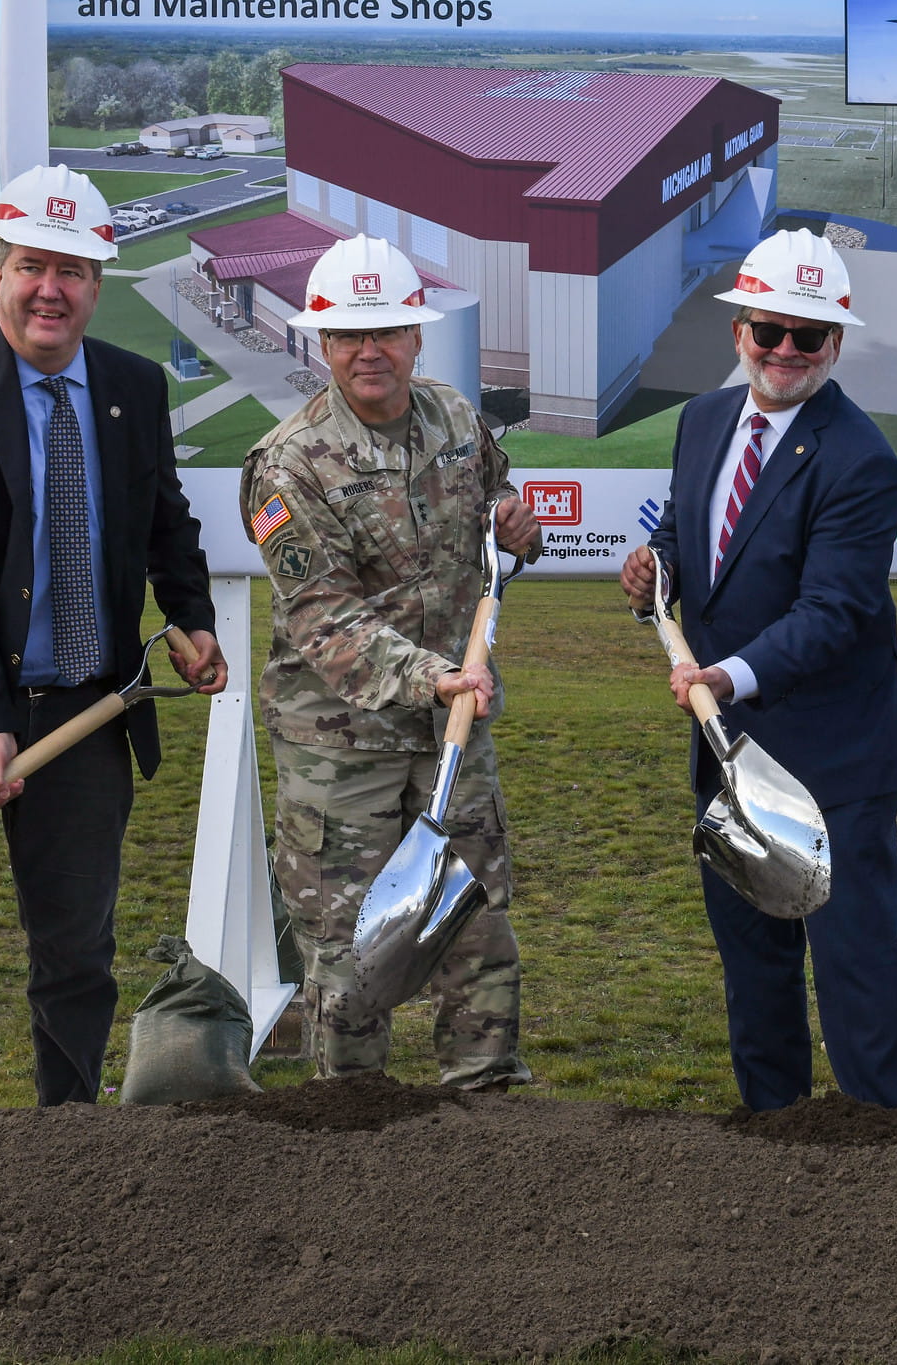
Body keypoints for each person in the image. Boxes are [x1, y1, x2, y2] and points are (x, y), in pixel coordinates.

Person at [0, 165, 226, 1111]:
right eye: (31, 267)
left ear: (98, 284)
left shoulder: (133, 389)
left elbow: (163, 521)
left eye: (71, 271)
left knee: (76, 952)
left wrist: (191, 618)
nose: (49, 289)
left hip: (85, 712)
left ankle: (69, 1153)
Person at [619, 229, 897, 1112]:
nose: (786, 351)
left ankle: (887, 1155)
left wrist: (726, 676)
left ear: (837, 343)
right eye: (770, 331)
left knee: (856, 975)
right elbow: (689, 543)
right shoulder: (701, 422)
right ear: (740, 333)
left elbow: (835, 612)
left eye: (809, 336)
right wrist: (660, 572)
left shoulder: (861, 457)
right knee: (755, 975)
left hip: (835, 760)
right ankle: (772, 1151)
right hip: (732, 758)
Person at [241, 234, 540, 1088]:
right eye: (348, 335)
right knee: (348, 961)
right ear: (320, 343)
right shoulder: (286, 465)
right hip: (342, 750)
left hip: (451, 732)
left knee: (479, 936)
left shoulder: (453, 417)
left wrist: (519, 524)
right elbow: (323, 616)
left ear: (416, 335)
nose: (369, 350)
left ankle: (487, 1122)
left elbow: (499, 509)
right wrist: (433, 677)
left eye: (388, 331)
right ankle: (351, 1133)